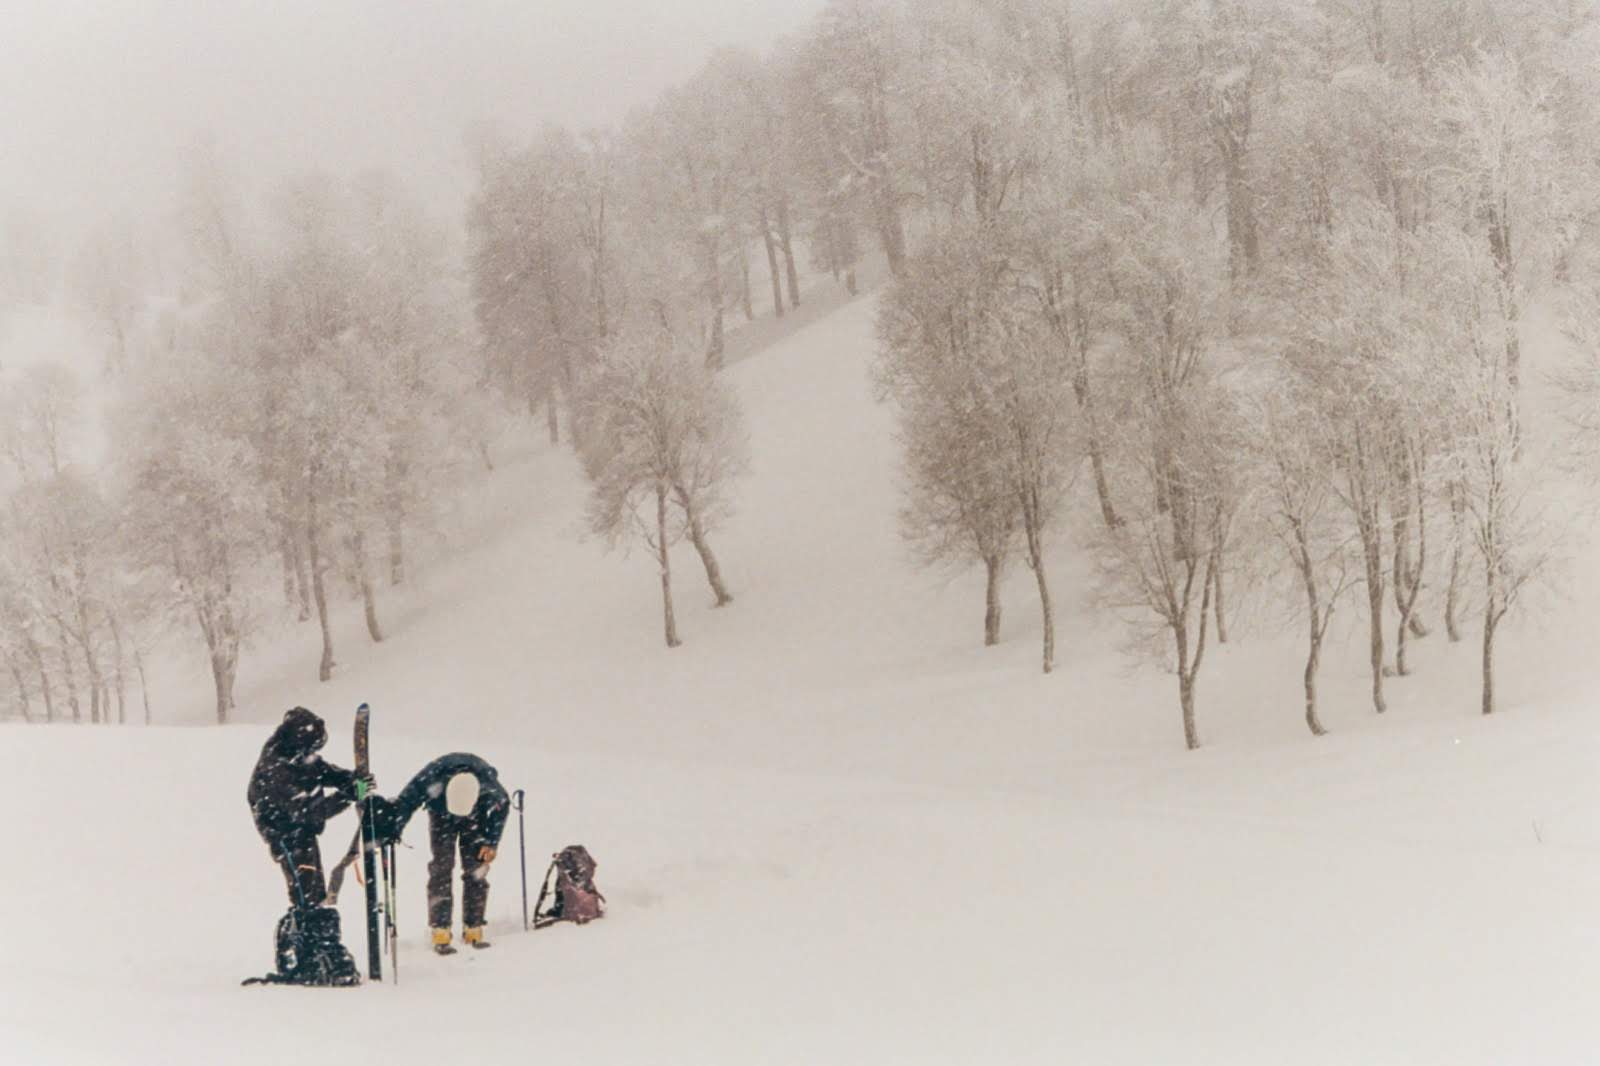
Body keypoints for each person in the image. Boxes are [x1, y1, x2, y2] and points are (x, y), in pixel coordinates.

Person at [380, 753, 510, 955]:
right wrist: (394, 829)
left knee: (476, 867)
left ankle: (473, 926)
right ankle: (440, 929)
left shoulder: (488, 783)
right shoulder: (431, 778)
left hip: (475, 817)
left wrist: (492, 842)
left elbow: (502, 806)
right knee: (441, 868)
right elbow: (406, 802)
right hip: (441, 815)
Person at [246, 707, 371, 908]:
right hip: (284, 833)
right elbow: (309, 811)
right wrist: (348, 795)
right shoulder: (276, 769)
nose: (314, 751)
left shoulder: (296, 752)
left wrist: (349, 779)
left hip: (303, 830)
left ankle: (317, 923)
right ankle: (307, 928)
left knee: (315, 889)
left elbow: (323, 771)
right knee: (305, 888)